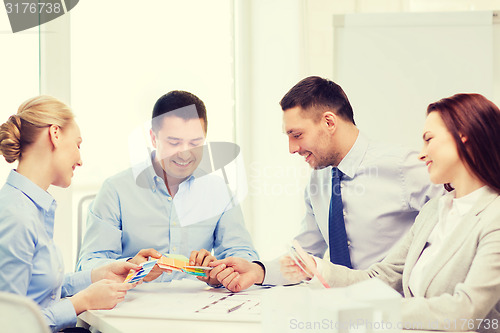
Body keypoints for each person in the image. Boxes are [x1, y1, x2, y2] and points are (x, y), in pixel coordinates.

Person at [281, 93, 500, 333]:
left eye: (429, 139)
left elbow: (466, 311)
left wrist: (373, 312)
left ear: (463, 137)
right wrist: (319, 269)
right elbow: (383, 276)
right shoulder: (434, 210)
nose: (421, 154)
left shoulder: (493, 216)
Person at [209, 76, 443, 292]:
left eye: (297, 135)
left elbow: (459, 227)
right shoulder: (318, 180)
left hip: (398, 311)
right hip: (340, 310)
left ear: (329, 122)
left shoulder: (405, 167)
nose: (291, 148)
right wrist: (257, 270)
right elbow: (306, 256)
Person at [76, 90, 258, 286]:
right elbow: (89, 265)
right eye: (174, 142)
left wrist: (221, 272)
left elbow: (243, 256)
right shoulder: (116, 190)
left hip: (197, 306)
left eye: (195, 143)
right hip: (130, 305)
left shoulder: (220, 192)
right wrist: (131, 266)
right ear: (153, 138)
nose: (185, 154)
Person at [0, 96, 139, 332]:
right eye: (78, 144)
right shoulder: (16, 216)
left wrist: (97, 275)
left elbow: (40, 290)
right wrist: (80, 302)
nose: (80, 159)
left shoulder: (31, 207)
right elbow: (10, 323)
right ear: (55, 134)